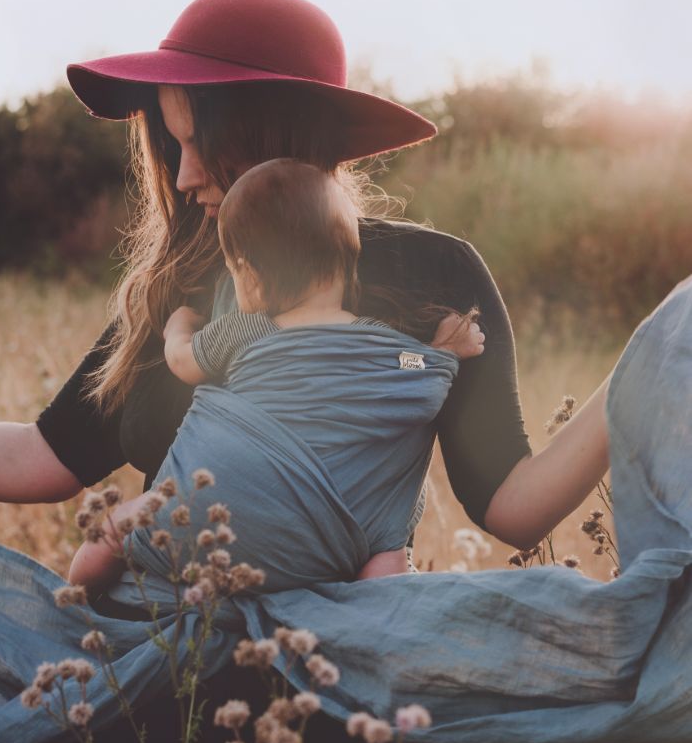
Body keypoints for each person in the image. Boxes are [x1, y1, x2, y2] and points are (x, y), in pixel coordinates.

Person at [0, 0, 652, 743]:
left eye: (204, 140)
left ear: (278, 126)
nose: (185, 174)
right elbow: (43, 455)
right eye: (170, 141)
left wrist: (640, 384)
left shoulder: (434, 277)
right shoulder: (187, 290)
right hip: (151, 709)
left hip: (343, 719)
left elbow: (510, 502)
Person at [68, 158, 486, 597]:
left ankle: (71, 611)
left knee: (113, 532)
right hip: (339, 546)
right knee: (388, 546)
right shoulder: (379, 343)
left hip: (218, 522)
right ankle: (375, 618)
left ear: (248, 274)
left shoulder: (246, 331)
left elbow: (183, 362)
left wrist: (177, 328)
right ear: (348, 261)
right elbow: (412, 370)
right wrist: (441, 351)